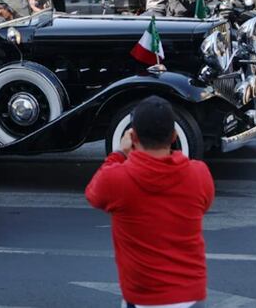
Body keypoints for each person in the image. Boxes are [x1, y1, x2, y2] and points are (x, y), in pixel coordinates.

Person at [85, 96, 214, 308]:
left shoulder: (117, 180)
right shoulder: (199, 174)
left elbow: (93, 194)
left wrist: (118, 153)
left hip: (142, 297)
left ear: (133, 136)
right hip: (191, 296)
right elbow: (204, 206)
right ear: (173, 136)